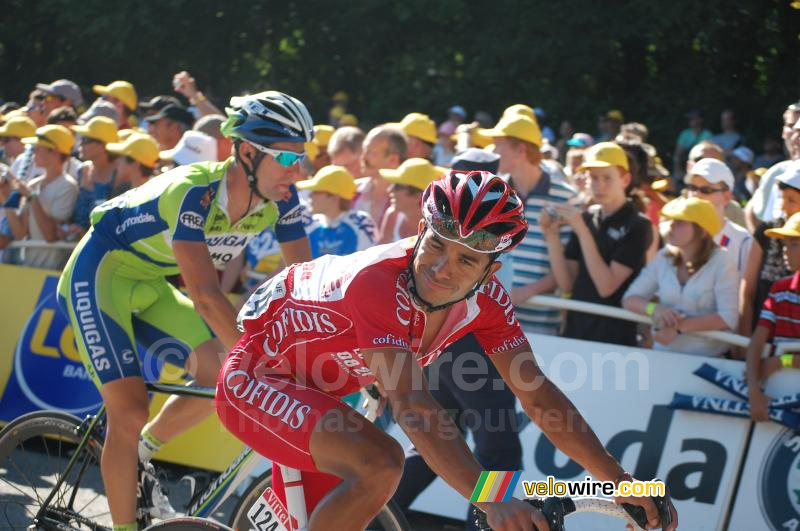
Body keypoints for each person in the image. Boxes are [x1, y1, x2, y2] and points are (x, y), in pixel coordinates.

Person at [216, 169, 677, 531]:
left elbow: (538, 397)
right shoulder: (376, 282)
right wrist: (491, 498)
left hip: (324, 389)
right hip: (258, 376)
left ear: (490, 271)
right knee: (382, 463)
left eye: (466, 260)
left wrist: (620, 481)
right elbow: (414, 409)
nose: (441, 268)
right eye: (436, 245)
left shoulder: (489, 301)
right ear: (421, 230)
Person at [55, 91, 314, 531]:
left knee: (221, 373)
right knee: (129, 412)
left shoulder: (281, 198)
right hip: (100, 275)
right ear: (247, 153)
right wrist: (260, 362)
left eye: (302, 158)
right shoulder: (193, 192)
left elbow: (305, 281)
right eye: (288, 157)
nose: (298, 171)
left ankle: (142, 452)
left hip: (151, 282)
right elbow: (206, 297)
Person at [543, 142, 652, 346]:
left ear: (625, 180)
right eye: (594, 178)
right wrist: (551, 235)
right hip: (575, 332)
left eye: (607, 178)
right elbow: (567, 284)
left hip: (614, 339)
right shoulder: (585, 218)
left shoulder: (639, 225)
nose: (599, 185)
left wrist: (583, 232)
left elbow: (606, 287)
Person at [482, 113, 578, 334]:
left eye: (499, 145)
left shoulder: (566, 198)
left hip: (541, 324)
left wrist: (523, 293)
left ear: (521, 150)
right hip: (492, 320)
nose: (493, 152)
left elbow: (568, 269)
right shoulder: (494, 193)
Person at [623, 197, 738, 356]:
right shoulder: (663, 257)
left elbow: (728, 318)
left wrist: (678, 327)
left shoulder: (723, 261)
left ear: (702, 230)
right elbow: (629, 299)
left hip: (708, 359)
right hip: (664, 355)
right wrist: (654, 309)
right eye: (672, 220)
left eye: (681, 222)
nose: (671, 226)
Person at [746, 212, 800, 421]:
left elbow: (776, 361)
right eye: (785, 244)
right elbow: (756, 342)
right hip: (777, 395)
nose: (785, 251)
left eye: (793, 244)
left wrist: (781, 361)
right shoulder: (779, 289)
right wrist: (753, 391)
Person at [4, 125, 79, 269]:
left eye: (38, 148)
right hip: (29, 267)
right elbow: (19, 233)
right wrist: (6, 198)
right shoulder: (33, 184)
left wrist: (32, 197)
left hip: (52, 269)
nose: (33, 152)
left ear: (54, 152)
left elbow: (50, 235)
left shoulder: (68, 187)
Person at [740, 161, 800, 337]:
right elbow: (748, 289)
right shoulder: (766, 232)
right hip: (760, 336)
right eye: (782, 198)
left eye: (791, 200)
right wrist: (744, 334)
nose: (783, 207)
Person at [684, 158, 753, 279]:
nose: (696, 194)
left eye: (706, 190)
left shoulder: (743, 241)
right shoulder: (676, 231)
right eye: (692, 188)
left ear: (727, 197)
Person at [296, 165, 376, 257]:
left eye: (316, 192)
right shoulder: (310, 224)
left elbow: (370, 261)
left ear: (334, 196)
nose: (310, 196)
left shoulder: (361, 223)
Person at [63, 116, 122, 239]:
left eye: (86, 140)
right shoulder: (82, 170)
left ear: (103, 145)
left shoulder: (121, 173)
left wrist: (85, 233)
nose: (80, 143)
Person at [353, 124, 407, 234]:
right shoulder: (351, 191)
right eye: (364, 150)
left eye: (370, 152)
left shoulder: (408, 199)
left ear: (393, 160)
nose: (362, 157)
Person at [377, 157, 444, 243]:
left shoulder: (439, 228)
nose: (389, 190)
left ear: (417, 196)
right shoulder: (392, 216)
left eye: (397, 186)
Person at [673, 110, 713, 179]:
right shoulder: (685, 134)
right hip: (685, 163)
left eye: (693, 118)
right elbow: (677, 154)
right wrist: (678, 171)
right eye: (690, 119)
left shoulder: (708, 134)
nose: (691, 121)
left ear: (700, 120)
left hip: (701, 163)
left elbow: (710, 153)